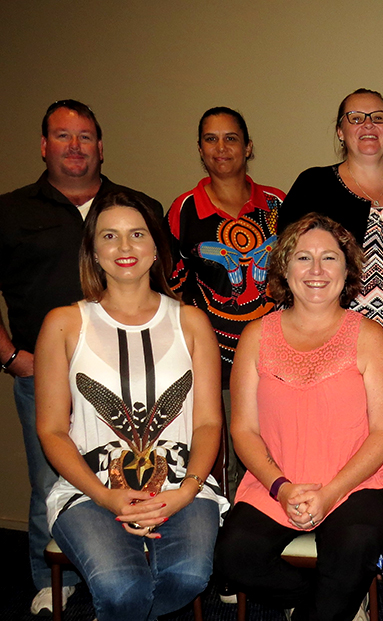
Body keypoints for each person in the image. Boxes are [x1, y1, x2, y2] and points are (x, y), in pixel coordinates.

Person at [0, 99, 164, 616]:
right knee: (52, 479)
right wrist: (10, 357)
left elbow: (168, 284)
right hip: (47, 375)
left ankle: (141, 569)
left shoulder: (138, 205)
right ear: (44, 146)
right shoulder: (10, 211)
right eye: (63, 136)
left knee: (140, 471)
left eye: (86, 136)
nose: (76, 146)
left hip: (134, 378)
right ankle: (54, 580)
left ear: (100, 145)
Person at [33, 191, 227, 621]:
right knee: (121, 586)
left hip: (181, 484)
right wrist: (106, 496)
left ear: (155, 246)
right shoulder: (63, 323)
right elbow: (51, 430)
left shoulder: (192, 321)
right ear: (94, 251)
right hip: (89, 487)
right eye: (110, 236)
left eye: (137, 234)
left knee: (189, 575)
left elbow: (209, 422)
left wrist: (187, 492)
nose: (124, 248)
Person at [214, 213, 383, 621]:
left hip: (357, 482)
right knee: (234, 558)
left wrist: (331, 492)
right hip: (277, 481)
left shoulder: (370, 337)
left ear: (347, 268)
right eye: (303, 258)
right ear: (284, 267)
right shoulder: (255, 336)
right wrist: (281, 488)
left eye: (329, 258)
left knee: (351, 547)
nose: (316, 271)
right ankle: (338, 599)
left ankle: (333, 600)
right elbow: (243, 429)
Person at [168, 106, 285, 499]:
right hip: (212, 362)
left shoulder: (278, 204)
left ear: (248, 147)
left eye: (231, 138)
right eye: (211, 139)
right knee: (218, 463)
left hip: (274, 359)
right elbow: (171, 287)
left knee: (276, 454)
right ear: (200, 150)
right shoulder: (184, 210)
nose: (221, 148)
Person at [278, 88, 383, 366]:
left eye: (378, 117)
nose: (368, 124)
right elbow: (289, 265)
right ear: (340, 131)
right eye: (355, 118)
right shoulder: (314, 185)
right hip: (346, 345)